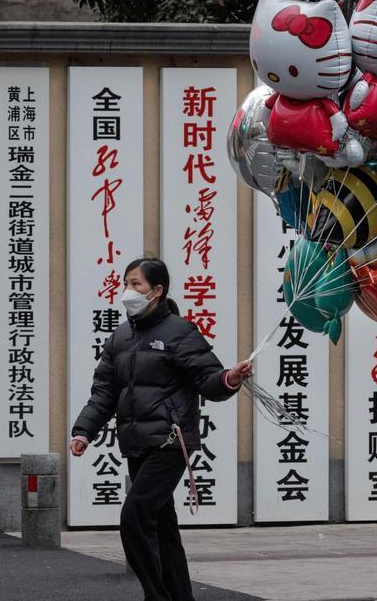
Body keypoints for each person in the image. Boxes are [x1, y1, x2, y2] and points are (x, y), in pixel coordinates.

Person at [70, 257, 254, 601]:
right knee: (163, 528)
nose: (128, 291)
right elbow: (105, 393)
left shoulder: (178, 332)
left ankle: (157, 596)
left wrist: (229, 378)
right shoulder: (120, 337)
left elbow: (207, 378)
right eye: (126, 283)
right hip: (136, 443)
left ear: (157, 291)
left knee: (134, 517)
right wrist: (83, 431)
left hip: (171, 442)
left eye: (136, 284)